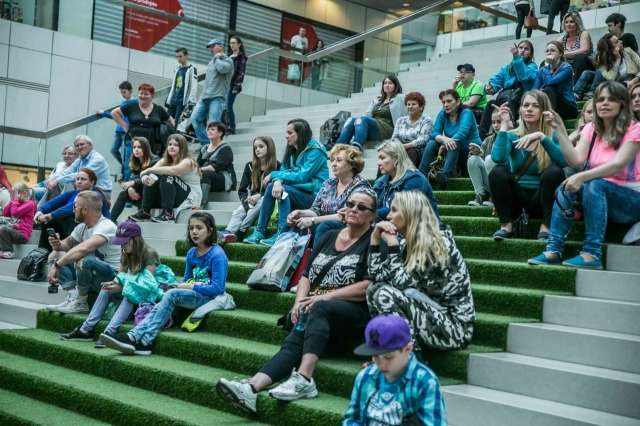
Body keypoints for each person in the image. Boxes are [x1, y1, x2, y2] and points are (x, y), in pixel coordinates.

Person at [216, 190, 376, 413]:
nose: (354, 209)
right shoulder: (329, 236)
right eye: (350, 204)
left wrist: (322, 297)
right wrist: (298, 302)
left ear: (372, 216)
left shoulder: (373, 241)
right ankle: (251, 387)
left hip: (352, 315)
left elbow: (368, 286)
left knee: (318, 307)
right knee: (293, 343)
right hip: (317, 314)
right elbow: (306, 276)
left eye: (362, 207)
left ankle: (304, 378)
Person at [529, 81, 640, 269]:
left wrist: (582, 177)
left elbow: (618, 164)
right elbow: (575, 160)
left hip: (632, 200)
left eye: (611, 99)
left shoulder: (634, 128)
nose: (604, 103)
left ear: (622, 104)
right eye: (600, 99)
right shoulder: (591, 129)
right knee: (566, 187)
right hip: (598, 193)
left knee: (594, 183)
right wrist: (560, 129)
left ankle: (591, 254)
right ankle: (553, 249)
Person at [101, 212, 229, 356]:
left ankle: (143, 340)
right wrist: (175, 285)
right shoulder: (192, 253)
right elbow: (187, 279)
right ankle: (136, 338)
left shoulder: (217, 255)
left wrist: (189, 286)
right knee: (165, 296)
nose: (194, 232)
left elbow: (218, 288)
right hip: (192, 293)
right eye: (191, 228)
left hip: (209, 297)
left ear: (210, 231)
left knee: (171, 295)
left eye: (199, 228)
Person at [366, 191, 475, 355]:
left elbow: (402, 285)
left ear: (410, 212)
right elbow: (376, 275)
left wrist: (393, 247)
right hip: (429, 313)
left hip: (454, 328)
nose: (388, 216)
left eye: (394, 210)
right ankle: (387, 351)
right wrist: (374, 240)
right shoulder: (406, 241)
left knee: (384, 294)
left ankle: (410, 357)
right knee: (372, 290)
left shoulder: (435, 245)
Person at [60, 221, 162, 344]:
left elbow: (146, 286)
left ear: (135, 239)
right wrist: (114, 284)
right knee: (106, 289)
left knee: (129, 294)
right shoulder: (125, 251)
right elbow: (121, 276)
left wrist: (121, 287)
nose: (122, 245)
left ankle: (109, 332)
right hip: (130, 291)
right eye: (121, 242)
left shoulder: (150, 254)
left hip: (146, 298)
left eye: (125, 242)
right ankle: (85, 330)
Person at [489, 91, 567, 241]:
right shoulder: (512, 135)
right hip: (518, 199)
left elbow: (563, 162)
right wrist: (504, 125)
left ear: (544, 110)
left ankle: (546, 226)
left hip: (543, 199)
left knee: (554, 171)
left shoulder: (553, 135)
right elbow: (497, 158)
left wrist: (542, 137)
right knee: (497, 171)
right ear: (520, 110)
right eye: (526, 105)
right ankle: (506, 225)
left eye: (535, 106)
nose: (529, 109)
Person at [343, 314, 447, 426]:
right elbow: (351, 419)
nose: (381, 364)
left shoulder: (425, 382)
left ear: (408, 349)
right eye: (375, 356)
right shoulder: (365, 376)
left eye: (388, 357)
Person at [243, 119, 329, 246]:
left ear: (300, 133)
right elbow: (284, 170)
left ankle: (282, 234)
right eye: (286, 132)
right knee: (272, 186)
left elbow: (302, 176)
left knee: (285, 190)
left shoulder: (316, 150)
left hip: (315, 197)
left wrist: (274, 174)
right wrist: (277, 181)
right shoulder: (292, 148)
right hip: (299, 191)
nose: (286, 136)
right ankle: (259, 231)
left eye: (290, 133)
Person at [45, 191, 121, 314]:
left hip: (112, 279)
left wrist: (56, 266)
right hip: (92, 276)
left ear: (85, 210)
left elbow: (84, 249)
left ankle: (81, 302)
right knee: (56, 254)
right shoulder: (82, 227)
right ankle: (73, 295)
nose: (73, 210)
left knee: (84, 258)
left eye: (75, 206)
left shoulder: (106, 226)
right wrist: (57, 244)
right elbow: (66, 245)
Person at [287, 144, 371, 249]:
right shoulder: (329, 183)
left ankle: (315, 258)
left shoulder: (360, 186)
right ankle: (289, 257)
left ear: (352, 164)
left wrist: (312, 220)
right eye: (332, 160)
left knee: (324, 226)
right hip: (324, 226)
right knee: (297, 223)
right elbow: (316, 210)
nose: (334, 164)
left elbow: (345, 216)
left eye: (339, 160)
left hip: (349, 228)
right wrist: (300, 213)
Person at [129, 134, 202, 223]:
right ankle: (145, 212)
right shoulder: (165, 160)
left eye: (176, 145)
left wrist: (148, 170)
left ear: (182, 148)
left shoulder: (188, 161)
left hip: (190, 196)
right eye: (170, 144)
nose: (172, 147)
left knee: (166, 174)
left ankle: (168, 214)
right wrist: (145, 177)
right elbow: (150, 173)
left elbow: (174, 171)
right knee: (152, 177)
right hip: (172, 195)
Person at [220, 137, 280, 244]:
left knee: (261, 201)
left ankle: (241, 231)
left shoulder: (278, 166)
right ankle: (229, 232)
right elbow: (242, 190)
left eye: (261, 146)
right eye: (255, 147)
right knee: (239, 211)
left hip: (270, 202)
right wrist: (246, 201)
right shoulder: (249, 165)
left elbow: (276, 188)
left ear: (269, 148)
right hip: (252, 202)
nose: (257, 150)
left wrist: (260, 195)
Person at [35, 168, 111, 251]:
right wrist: (40, 212)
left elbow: (72, 207)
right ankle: (43, 252)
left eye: (83, 179)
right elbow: (51, 203)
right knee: (48, 222)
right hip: (76, 227)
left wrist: (50, 216)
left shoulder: (95, 195)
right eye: (77, 179)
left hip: (95, 229)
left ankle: (67, 250)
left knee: (71, 216)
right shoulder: (73, 193)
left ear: (92, 182)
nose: (79, 181)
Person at [419, 89, 481, 189]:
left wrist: (445, 142)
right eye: (443, 102)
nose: (446, 105)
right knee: (432, 143)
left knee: (454, 143)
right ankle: (421, 174)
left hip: (469, 151)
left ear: (458, 101)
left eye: (449, 101)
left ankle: (444, 175)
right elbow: (434, 133)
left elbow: (462, 133)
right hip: (451, 150)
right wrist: (444, 139)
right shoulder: (442, 114)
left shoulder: (467, 113)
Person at [479, 40, 538, 138]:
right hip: (505, 97)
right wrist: (491, 87)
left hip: (521, 98)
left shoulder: (533, 66)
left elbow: (524, 77)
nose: (523, 50)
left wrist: (517, 58)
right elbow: (497, 79)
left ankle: (512, 133)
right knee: (490, 104)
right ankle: (482, 137)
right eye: (520, 48)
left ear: (530, 54)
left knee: (511, 101)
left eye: (526, 49)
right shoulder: (507, 67)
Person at [335, 75, 407, 150]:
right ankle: (337, 148)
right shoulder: (378, 100)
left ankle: (356, 148)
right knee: (351, 120)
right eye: (385, 83)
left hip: (387, 129)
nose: (387, 85)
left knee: (363, 119)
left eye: (390, 83)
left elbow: (406, 114)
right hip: (374, 126)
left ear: (395, 86)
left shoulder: (400, 98)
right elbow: (367, 115)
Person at [375, 140, 438, 220]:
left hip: (421, 227)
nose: (378, 163)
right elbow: (371, 205)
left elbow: (400, 211)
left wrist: (370, 213)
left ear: (397, 158)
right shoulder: (381, 182)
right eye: (378, 159)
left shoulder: (415, 179)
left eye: (382, 158)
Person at [111, 83, 174, 156]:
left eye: (146, 94)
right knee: (130, 162)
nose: (143, 96)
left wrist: (169, 132)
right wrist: (125, 126)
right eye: (141, 93)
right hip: (133, 146)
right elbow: (114, 113)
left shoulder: (158, 109)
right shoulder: (131, 106)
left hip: (152, 147)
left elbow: (170, 119)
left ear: (152, 96)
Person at [192, 39, 234, 145]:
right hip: (204, 98)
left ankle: (212, 146)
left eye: (212, 46)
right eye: (209, 47)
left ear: (221, 46)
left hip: (217, 98)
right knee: (195, 119)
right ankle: (207, 144)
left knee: (213, 125)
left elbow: (222, 69)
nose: (210, 49)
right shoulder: (211, 62)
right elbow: (208, 81)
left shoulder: (228, 60)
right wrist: (201, 96)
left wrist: (217, 58)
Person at [574, 34, 640, 100]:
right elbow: (611, 78)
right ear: (610, 48)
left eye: (619, 40)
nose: (621, 42)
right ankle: (576, 94)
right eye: (616, 42)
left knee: (598, 72)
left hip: (628, 82)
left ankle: (593, 93)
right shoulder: (603, 58)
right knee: (587, 73)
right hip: (614, 82)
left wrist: (633, 81)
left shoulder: (628, 52)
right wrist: (618, 59)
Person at [110, 137, 157, 222]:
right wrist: (130, 188)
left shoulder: (155, 161)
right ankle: (111, 220)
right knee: (123, 194)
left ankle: (143, 214)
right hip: (140, 195)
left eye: (139, 147)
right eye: (134, 147)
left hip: (154, 196)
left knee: (146, 185)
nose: (136, 149)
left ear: (146, 148)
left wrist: (132, 183)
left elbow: (149, 179)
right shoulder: (135, 162)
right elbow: (133, 179)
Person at [48, 135, 112, 196]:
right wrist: (52, 179)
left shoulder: (97, 159)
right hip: (85, 190)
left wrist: (57, 180)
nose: (79, 147)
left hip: (100, 192)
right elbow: (67, 171)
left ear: (90, 145)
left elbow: (79, 175)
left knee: (65, 196)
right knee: (58, 195)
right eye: (77, 145)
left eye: (82, 144)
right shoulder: (80, 159)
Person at [467, 108, 504, 207]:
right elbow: (481, 163)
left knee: (490, 159)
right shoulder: (488, 140)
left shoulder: (512, 137)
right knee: (473, 159)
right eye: (493, 122)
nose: (496, 125)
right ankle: (480, 195)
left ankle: (495, 198)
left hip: (505, 183)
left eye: (499, 122)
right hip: (490, 182)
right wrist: (476, 153)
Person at [98, 81, 135, 180]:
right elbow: (115, 116)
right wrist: (104, 113)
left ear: (130, 91)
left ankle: (126, 176)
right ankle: (124, 166)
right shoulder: (123, 102)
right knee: (113, 150)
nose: (122, 94)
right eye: (121, 92)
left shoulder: (134, 102)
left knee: (127, 156)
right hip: (119, 131)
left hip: (126, 132)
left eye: (124, 92)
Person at [534, 41, 578, 120]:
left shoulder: (567, 67)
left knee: (549, 88)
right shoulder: (542, 70)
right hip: (552, 105)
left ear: (560, 53)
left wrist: (546, 65)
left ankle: (549, 117)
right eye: (547, 51)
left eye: (552, 50)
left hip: (568, 107)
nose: (549, 53)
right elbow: (534, 90)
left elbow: (550, 82)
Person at [197, 121, 236, 209]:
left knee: (205, 174)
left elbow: (216, 167)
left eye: (213, 129)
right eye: (208, 129)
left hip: (224, 179)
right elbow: (197, 164)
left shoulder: (225, 148)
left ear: (220, 133)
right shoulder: (204, 148)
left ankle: (201, 204)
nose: (209, 131)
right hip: (207, 179)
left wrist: (200, 170)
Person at [391, 91, 433, 168]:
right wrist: (400, 147)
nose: (410, 107)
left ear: (421, 107)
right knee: (386, 153)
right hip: (401, 148)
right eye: (408, 104)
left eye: (413, 104)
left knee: (411, 151)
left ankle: (409, 174)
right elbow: (394, 137)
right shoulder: (400, 120)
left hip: (417, 151)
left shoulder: (426, 120)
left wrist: (406, 146)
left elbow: (423, 140)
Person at [0, 183, 36, 259]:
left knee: (3, 229)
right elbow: (5, 213)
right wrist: (11, 201)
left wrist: (15, 201)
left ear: (24, 193)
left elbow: (15, 213)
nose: (13, 195)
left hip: (22, 234)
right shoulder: (16, 203)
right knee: (2, 227)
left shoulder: (30, 204)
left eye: (15, 193)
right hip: (14, 231)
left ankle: (8, 252)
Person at [557, 11, 593, 82]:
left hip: (584, 66)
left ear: (577, 23)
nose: (568, 24)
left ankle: (574, 85)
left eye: (571, 22)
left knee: (580, 57)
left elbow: (585, 50)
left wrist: (566, 54)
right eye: (566, 22)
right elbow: (554, 50)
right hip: (568, 67)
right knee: (546, 62)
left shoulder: (583, 34)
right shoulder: (561, 39)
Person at [166, 47, 198, 124]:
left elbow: (194, 86)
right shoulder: (177, 69)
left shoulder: (191, 69)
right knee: (167, 121)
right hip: (173, 100)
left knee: (178, 123)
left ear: (186, 56)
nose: (178, 59)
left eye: (180, 56)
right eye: (177, 57)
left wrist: (191, 102)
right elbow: (174, 86)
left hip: (182, 102)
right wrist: (169, 99)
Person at [226, 36, 247, 134]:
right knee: (224, 107)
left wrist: (236, 86)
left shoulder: (241, 57)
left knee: (228, 106)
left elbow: (241, 73)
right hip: (225, 85)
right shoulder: (228, 57)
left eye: (234, 43)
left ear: (239, 44)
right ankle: (225, 126)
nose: (232, 45)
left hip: (233, 85)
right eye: (231, 43)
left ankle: (231, 127)